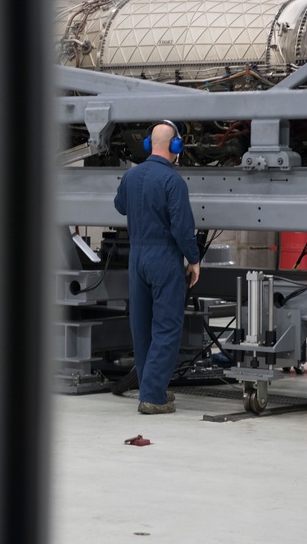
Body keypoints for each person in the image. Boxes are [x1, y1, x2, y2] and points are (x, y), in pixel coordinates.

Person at [114, 121, 200, 414]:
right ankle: (152, 396)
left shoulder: (131, 175)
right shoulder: (174, 182)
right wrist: (194, 258)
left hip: (136, 257)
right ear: (176, 147)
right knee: (166, 325)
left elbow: (120, 207)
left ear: (150, 145)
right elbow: (182, 227)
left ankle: (152, 386)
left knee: (141, 326)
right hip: (164, 257)